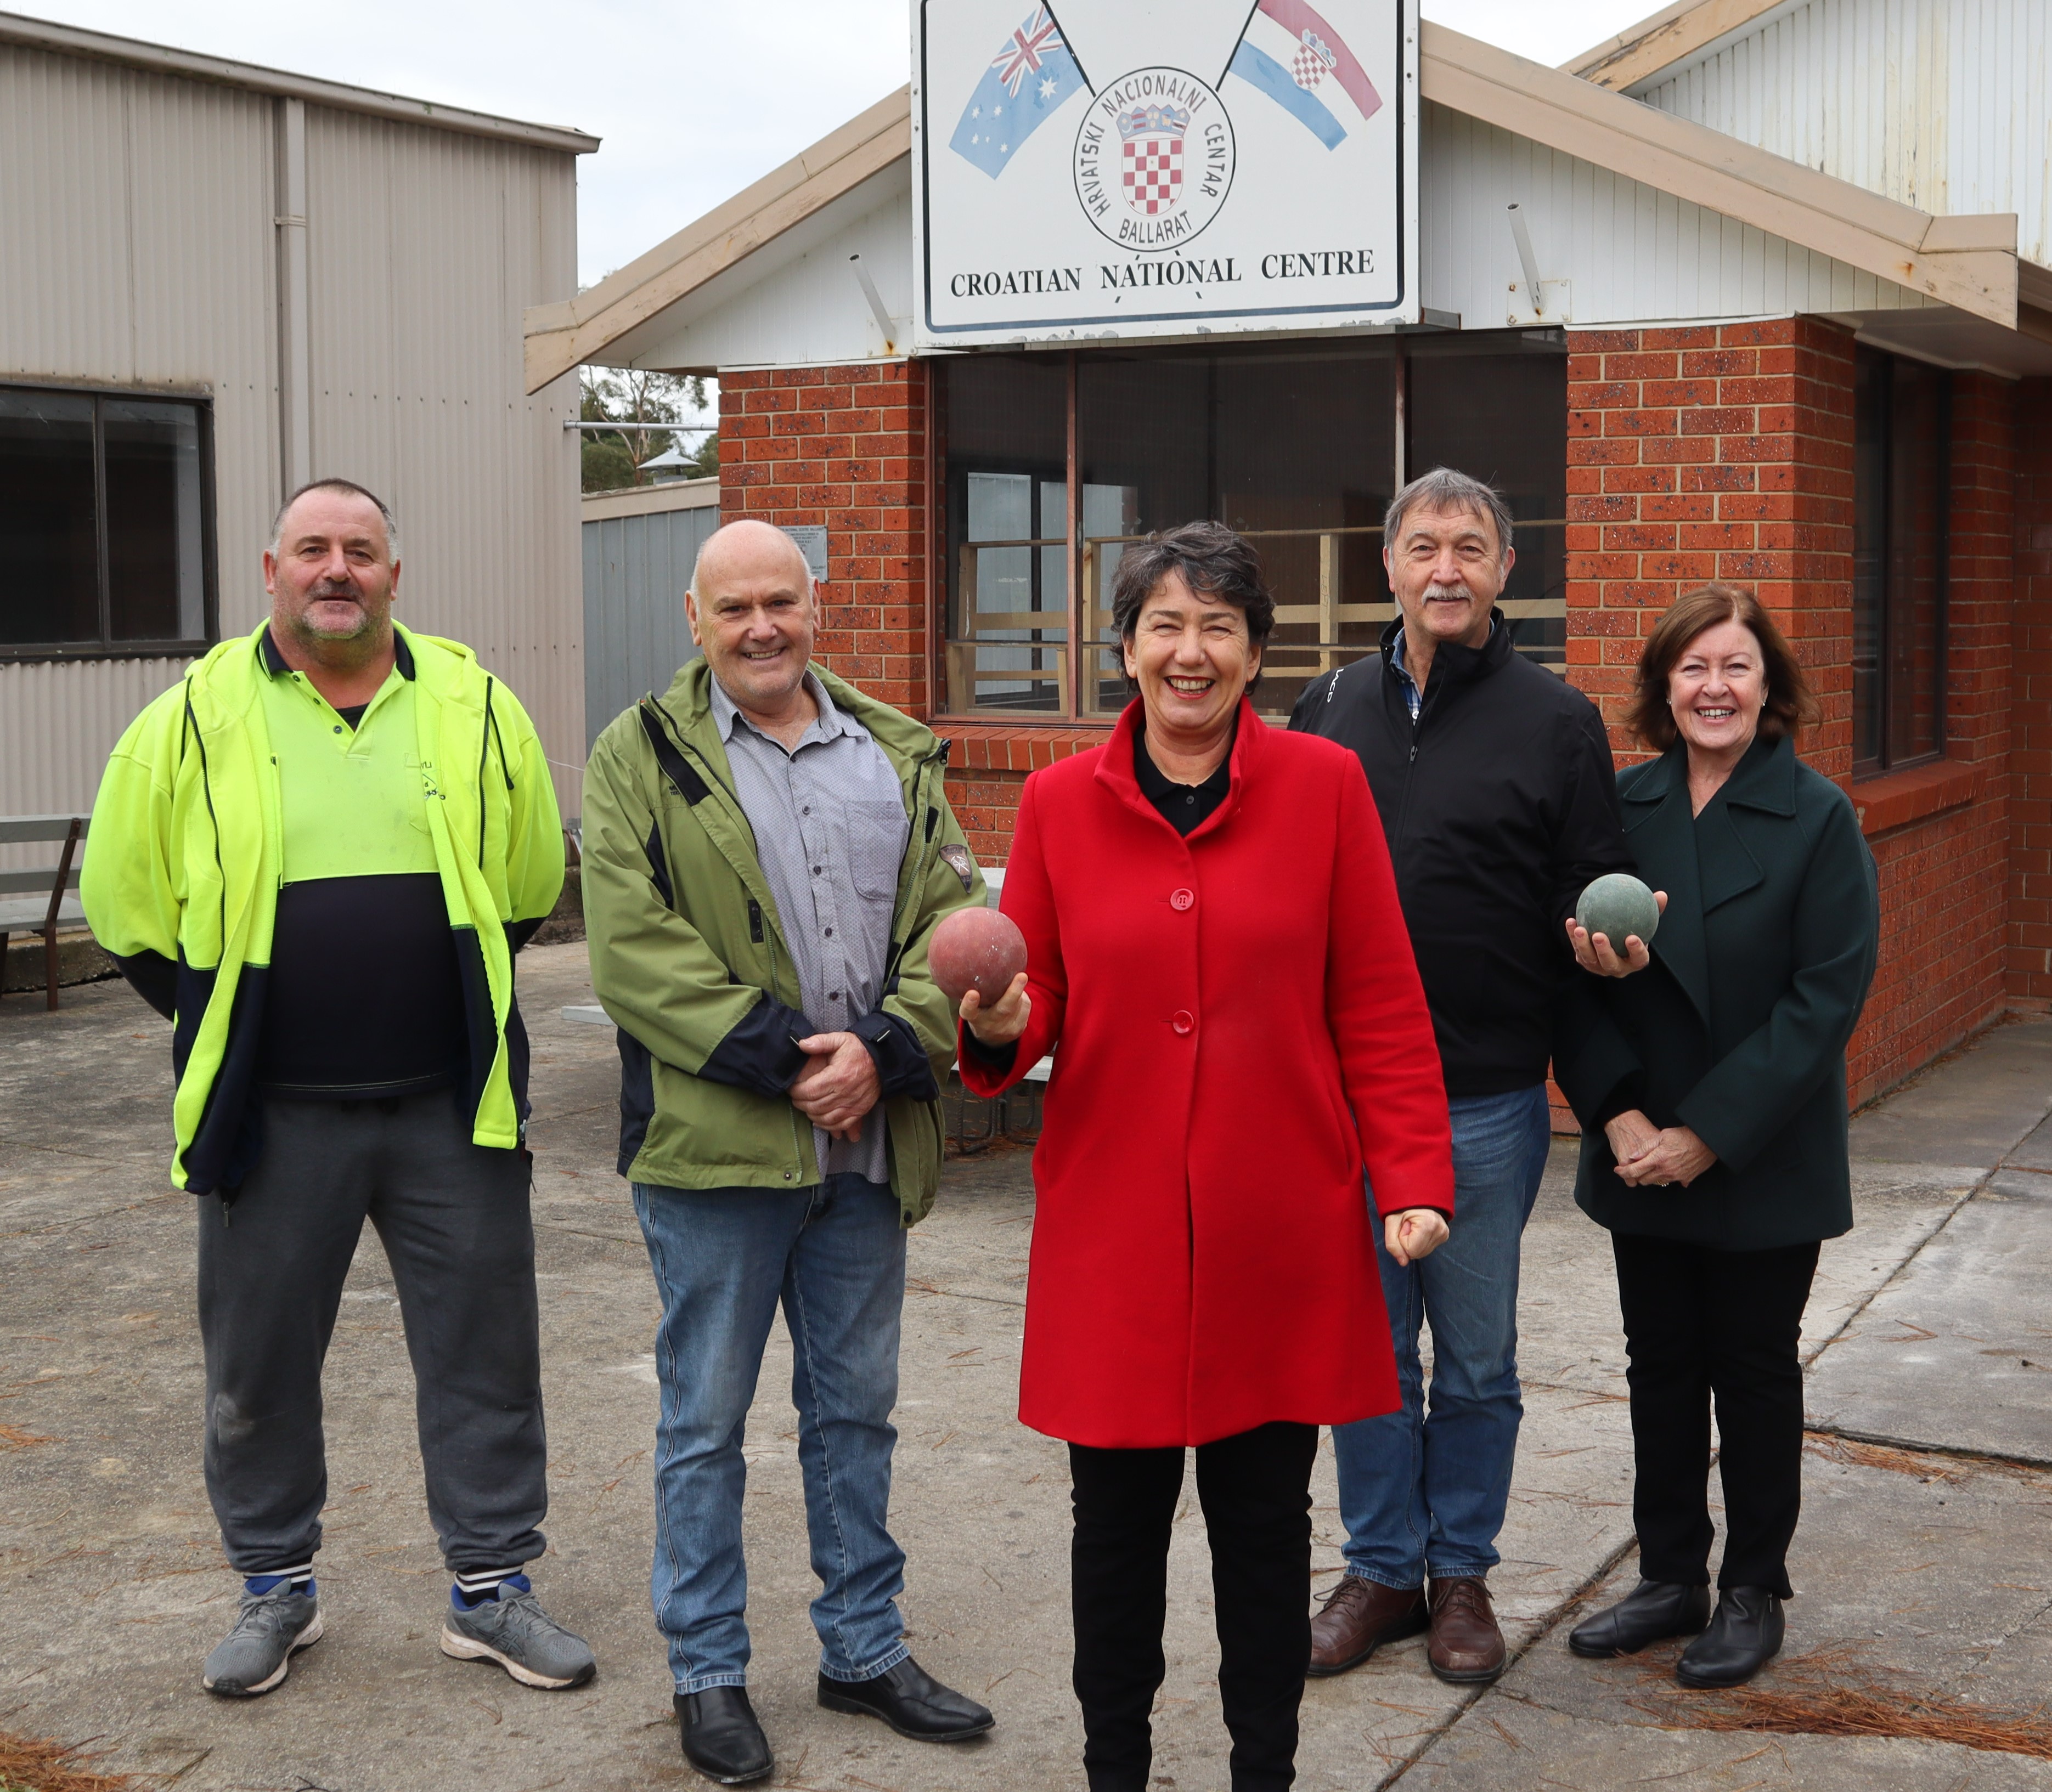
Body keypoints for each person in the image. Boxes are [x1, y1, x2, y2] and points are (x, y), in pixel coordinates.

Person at [960, 521, 1455, 1792]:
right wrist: (1008, 1023)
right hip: (1112, 1235)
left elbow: (1380, 1004)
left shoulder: (1324, 787)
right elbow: (1039, 990)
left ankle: (1263, 1772)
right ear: (1125, 650)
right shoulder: (1060, 801)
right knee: (1111, 1537)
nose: (1191, 651)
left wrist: (1408, 1179)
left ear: (1253, 653)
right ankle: (1112, 1767)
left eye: (1219, 626)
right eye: (1165, 625)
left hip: (1276, 1230)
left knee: (1260, 1530)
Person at [81, 479, 590, 1699]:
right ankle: (273, 1585)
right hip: (272, 1115)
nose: (337, 569)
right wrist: (226, 1024)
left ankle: (491, 1585)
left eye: (361, 550)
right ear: (271, 569)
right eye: (313, 548)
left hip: (448, 1107)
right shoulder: (191, 714)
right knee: (255, 1364)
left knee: (484, 1351)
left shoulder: (473, 703)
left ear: (394, 576)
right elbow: (124, 903)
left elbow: (525, 881)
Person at [580, 519, 994, 1786]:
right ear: (694, 623)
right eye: (734, 607)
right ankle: (707, 1668)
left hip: (865, 1151)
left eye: (782, 601)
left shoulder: (893, 751)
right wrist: (791, 1059)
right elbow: (630, 945)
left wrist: (883, 1047)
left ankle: (861, 1647)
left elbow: (953, 920)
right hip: (716, 1157)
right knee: (704, 1421)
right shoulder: (639, 756)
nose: (761, 626)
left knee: (853, 1413)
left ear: (817, 609)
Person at [1288, 467, 1641, 1684]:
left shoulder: (1555, 718)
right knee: (1367, 1352)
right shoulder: (1323, 703)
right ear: (1387, 565)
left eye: (1472, 547)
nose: (1448, 567)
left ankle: (1461, 1576)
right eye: (1424, 545)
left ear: (1504, 568)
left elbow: (1584, 880)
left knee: (1475, 1356)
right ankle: (1380, 1567)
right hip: (1339, 1096)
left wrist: (1593, 933)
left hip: (1486, 1093)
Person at [1557, 584, 1878, 1687]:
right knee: (1658, 1365)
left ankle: (1750, 1584)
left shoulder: (1819, 816)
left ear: (1768, 684)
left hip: (1757, 1146)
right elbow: (1570, 977)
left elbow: (1825, 998)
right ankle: (1668, 1575)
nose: (1713, 687)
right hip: (1637, 1137)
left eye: (1734, 666)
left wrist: (1706, 1130)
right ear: (1662, 686)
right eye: (1692, 668)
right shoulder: (1619, 803)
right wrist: (1621, 1111)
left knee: (1748, 1369)